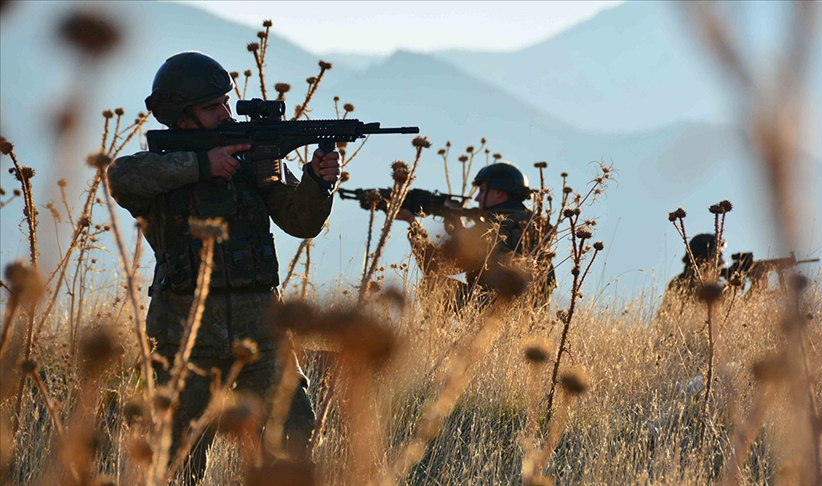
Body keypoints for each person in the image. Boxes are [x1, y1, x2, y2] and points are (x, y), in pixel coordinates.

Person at [106, 51, 341, 483]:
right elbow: (120, 177)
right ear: (180, 116)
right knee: (178, 457)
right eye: (213, 108)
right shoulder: (160, 168)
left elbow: (300, 221)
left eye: (227, 104)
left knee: (294, 438)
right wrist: (201, 165)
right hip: (185, 330)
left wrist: (318, 182)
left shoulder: (254, 158)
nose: (226, 114)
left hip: (262, 325)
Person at [395, 162, 555, 309]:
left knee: (433, 285)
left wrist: (412, 223)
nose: (477, 198)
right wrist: (462, 234)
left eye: (483, 191)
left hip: (496, 313)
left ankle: (436, 338)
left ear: (499, 193)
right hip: (531, 319)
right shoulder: (531, 227)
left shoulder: (491, 228)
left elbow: (432, 265)